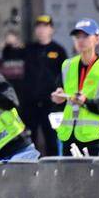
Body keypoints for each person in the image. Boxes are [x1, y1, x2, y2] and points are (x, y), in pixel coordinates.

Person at [51, 18, 99, 156]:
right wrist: (58, 98)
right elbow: (61, 93)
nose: (81, 40)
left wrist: (86, 102)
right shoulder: (68, 65)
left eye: (85, 36)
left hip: (95, 138)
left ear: (97, 39)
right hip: (69, 137)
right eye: (77, 37)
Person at [24, 15, 67, 156]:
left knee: (52, 138)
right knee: (29, 140)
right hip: (31, 103)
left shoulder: (58, 51)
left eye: (45, 26)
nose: (41, 30)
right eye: (39, 27)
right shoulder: (28, 49)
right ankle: (31, 165)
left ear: (51, 29)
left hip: (51, 103)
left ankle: (53, 165)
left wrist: (61, 95)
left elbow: (65, 76)